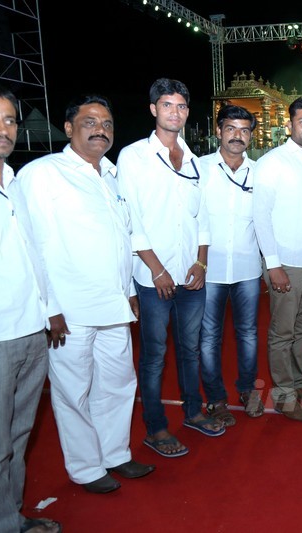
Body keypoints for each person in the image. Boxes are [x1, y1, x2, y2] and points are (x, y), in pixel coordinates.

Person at [13, 94, 154, 494]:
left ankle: (115, 455)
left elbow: (120, 240)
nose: (100, 130)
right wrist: (49, 307)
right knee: (73, 391)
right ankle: (86, 468)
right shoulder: (44, 173)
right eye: (90, 122)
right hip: (68, 310)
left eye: (107, 123)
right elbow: (31, 245)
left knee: (118, 384)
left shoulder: (109, 176)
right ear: (69, 128)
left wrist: (127, 291)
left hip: (113, 304)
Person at [0, 81, 60, 532]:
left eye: (8, 120)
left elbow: (33, 255)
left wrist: (48, 310)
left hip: (30, 334)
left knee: (16, 441)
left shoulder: (15, 181)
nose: (1, 129)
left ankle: (10, 520)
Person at [118, 78, 222, 458]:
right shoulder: (133, 157)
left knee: (190, 349)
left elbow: (203, 218)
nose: (174, 113)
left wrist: (201, 261)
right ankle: (156, 428)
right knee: (154, 356)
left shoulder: (194, 160)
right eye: (167, 105)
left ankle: (193, 412)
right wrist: (157, 270)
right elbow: (131, 220)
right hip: (152, 279)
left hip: (190, 275)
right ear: (153, 110)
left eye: (180, 106)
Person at [252, 96, 302, 422]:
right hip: (285, 264)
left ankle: (300, 385)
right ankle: (284, 396)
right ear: (290, 125)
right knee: (282, 333)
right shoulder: (273, 161)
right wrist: (273, 264)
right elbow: (260, 216)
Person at [198, 104, 264, 421]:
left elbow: (266, 221)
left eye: (244, 130)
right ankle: (215, 398)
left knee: (248, 333)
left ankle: (248, 389)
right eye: (231, 129)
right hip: (208, 269)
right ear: (218, 131)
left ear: (251, 135)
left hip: (248, 268)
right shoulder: (198, 169)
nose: (237, 136)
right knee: (208, 336)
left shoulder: (259, 172)